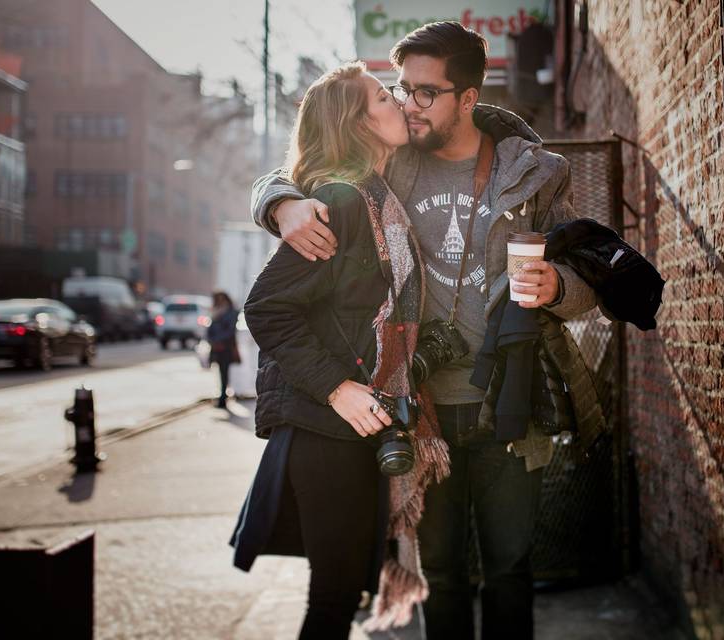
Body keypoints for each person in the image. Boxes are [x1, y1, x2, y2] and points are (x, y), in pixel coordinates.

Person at [250, 22, 598, 640]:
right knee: (440, 570)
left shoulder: (534, 172)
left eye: (425, 93)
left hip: (509, 404)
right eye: (400, 90)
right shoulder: (390, 166)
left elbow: (582, 267)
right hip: (424, 410)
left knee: (512, 569)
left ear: (468, 97)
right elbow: (314, 169)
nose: (409, 105)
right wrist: (279, 202)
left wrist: (560, 288)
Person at [230, 61, 449, 639]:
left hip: (357, 426)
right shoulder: (344, 201)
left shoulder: (379, 193)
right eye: (384, 97)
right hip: (324, 426)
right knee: (331, 599)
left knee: (342, 591)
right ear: (358, 123)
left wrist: (278, 196)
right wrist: (338, 387)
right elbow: (267, 307)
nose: (400, 102)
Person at [206, 291, 240, 409]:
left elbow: (230, 331)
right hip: (216, 347)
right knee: (220, 371)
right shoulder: (215, 312)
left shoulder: (231, 312)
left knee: (225, 372)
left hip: (226, 347)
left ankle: (223, 398)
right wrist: (212, 340)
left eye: (222, 299)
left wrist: (218, 339)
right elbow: (209, 329)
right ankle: (222, 395)